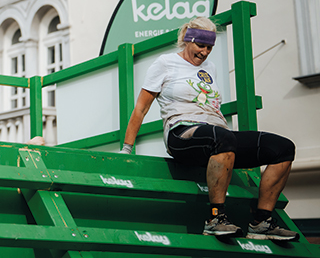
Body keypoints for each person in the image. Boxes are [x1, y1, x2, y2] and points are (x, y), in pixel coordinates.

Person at [121, 17, 298, 241]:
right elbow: (140, 108)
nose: (205, 52)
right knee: (222, 139)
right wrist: (127, 148)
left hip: (216, 134)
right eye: (200, 46)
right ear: (187, 40)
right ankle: (215, 219)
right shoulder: (165, 63)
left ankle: (261, 222)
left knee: (282, 148)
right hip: (182, 132)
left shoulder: (210, 68)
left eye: (210, 47)